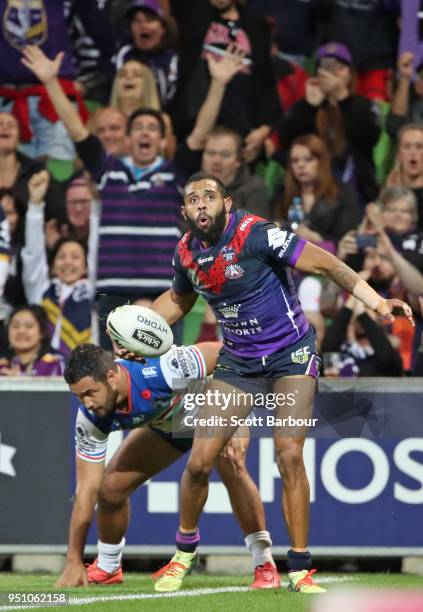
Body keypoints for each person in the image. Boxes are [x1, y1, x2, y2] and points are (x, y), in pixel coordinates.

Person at [120, 171, 412, 594]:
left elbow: (327, 264)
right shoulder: (185, 252)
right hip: (238, 361)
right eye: (193, 199)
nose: (201, 204)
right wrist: (139, 331)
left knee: (288, 454)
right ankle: (183, 554)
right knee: (201, 460)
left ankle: (300, 567)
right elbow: (179, 301)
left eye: (209, 197)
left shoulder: (257, 234)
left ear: (227, 203)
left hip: (290, 354)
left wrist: (378, 301)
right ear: (184, 211)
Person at [57, 342, 280, 590]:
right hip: (171, 424)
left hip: (214, 404)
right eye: (79, 396)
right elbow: (85, 491)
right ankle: (108, 566)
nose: (86, 403)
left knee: (231, 462)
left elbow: (228, 353)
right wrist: (73, 559)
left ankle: (265, 564)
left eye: (90, 393)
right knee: (109, 489)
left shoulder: (161, 368)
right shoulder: (89, 420)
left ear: (112, 376)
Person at [21, 45, 183, 349]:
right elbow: (76, 129)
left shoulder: (177, 174)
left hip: (166, 293)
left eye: (152, 128)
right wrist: (51, 82)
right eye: (138, 128)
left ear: (163, 139)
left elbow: (199, 137)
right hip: (113, 294)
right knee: (115, 380)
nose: (145, 134)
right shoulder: (106, 169)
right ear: (126, 137)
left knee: (168, 379)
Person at [278, 42, 381, 203]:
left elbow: (370, 137)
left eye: (339, 67)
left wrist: (343, 98)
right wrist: (309, 106)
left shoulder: (362, 106)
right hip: (311, 192)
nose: (333, 74)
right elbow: (286, 139)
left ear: (350, 74)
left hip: (356, 191)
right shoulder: (305, 106)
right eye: (326, 67)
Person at [21, 171, 93, 357]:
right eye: (61, 256)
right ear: (52, 266)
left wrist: (97, 204)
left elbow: (96, 247)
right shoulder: (41, 290)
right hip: (45, 372)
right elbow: (34, 255)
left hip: (87, 370)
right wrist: (35, 205)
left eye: (75, 257)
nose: (68, 261)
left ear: (86, 266)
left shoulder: (93, 291)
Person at [279, 134, 359, 247]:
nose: (300, 165)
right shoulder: (282, 192)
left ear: (321, 162)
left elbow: (347, 238)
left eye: (308, 159)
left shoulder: (343, 194)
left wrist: (318, 238)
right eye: (295, 161)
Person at [115, 0, 178, 109]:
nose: (143, 25)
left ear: (162, 29)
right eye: (137, 21)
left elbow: (170, 95)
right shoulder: (125, 54)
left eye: (149, 20)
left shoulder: (171, 58)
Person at [0, 304, 64, 376]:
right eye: (15, 326)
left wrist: (18, 382)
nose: (21, 331)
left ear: (42, 332)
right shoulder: (2, 365)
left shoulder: (53, 363)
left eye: (29, 326)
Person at [385, 124, 423, 230]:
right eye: (407, 146)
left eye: (419, 146)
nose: (413, 153)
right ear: (399, 155)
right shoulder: (388, 192)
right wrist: (389, 195)